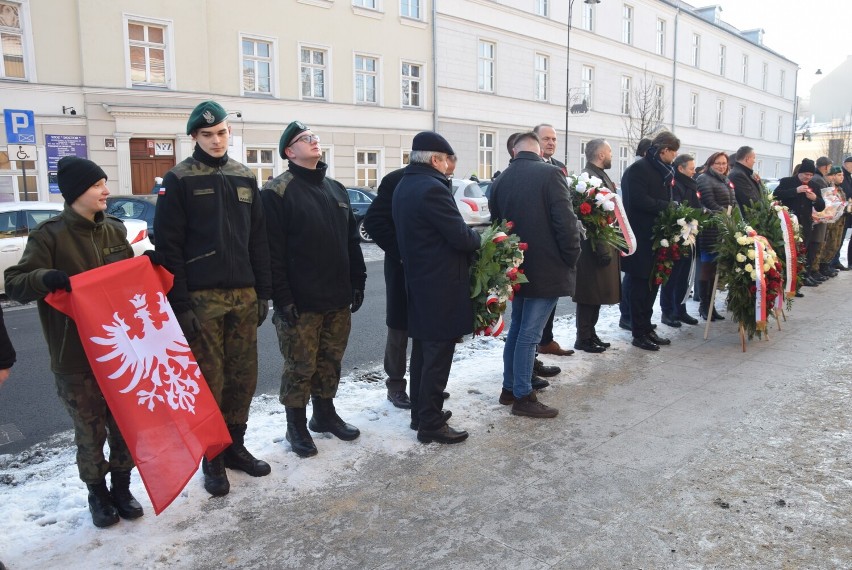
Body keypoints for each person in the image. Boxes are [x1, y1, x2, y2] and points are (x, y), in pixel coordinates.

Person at [5, 157, 143, 528]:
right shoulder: (49, 236)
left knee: (126, 424)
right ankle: (97, 494)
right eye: (98, 184)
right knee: (90, 430)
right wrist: (44, 277)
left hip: (120, 351)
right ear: (76, 192)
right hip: (75, 356)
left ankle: (122, 486)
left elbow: (129, 286)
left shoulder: (114, 231)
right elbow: (15, 283)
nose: (106, 191)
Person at [154, 100, 273, 496]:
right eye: (208, 134)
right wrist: (180, 303)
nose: (217, 140)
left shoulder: (244, 176)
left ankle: (235, 445)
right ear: (194, 137)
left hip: (243, 293)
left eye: (221, 132)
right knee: (210, 381)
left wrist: (263, 292)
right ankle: (213, 457)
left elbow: (259, 238)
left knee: (243, 377)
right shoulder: (179, 179)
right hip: (202, 298)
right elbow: (169, 247)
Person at [262, 121, 366, 458]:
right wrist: (283, 298)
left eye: (315, 137)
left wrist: (359, 279)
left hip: (336, 296)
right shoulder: (278, 192)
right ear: (289, 152)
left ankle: (324, 415)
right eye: (305, 139)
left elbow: (352, 240)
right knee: (300, 366)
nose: (314, 141)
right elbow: (271, 252)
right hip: (301, 301)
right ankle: (296, 426)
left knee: (330, 360)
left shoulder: (335, 189)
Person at [393, 131, 480, 444]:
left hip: (420, 282)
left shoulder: (407, 184)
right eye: (446, 161)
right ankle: (430, 422)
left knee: (423, 354)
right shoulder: (431, 188)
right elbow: (460, 235)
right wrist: (478, 239)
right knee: (437, 355)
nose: (448, 167)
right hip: (440, 285)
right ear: (435, 159)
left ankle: (421, 412)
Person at [489, 132, 581, 417]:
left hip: (516, 268)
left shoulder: (500, 181)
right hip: (548, 266)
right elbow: (565, 222)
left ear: (514, 151)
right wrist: (571, 257)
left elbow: (497, 228)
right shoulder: (551, 174)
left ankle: (510, 388)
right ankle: (522, 397)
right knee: (529, 334)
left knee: (518, 331)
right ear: (538, 150)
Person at [620, 131, 680, 351]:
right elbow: (637, 200)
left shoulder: (662, 170)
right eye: (673, 152)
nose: (674, 157)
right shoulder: (638, 170)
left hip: (657, 237)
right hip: (640, 237)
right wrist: (667, 207)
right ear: (664, 150)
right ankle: (638, 332)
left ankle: (647, 327)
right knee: (639, 287)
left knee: (653, 285)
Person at [572, 139, 621, 352]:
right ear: (601, 155)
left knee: (597, 293)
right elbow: (594, 218)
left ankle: (590, 334)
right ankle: (583, 338)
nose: (612, 156)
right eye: (609, 152)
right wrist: (602, 248)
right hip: (593, 247)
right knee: (589, 294)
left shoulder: (598, 175)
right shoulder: (590, 178)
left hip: (601, 243)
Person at [532, 123, 573, 357]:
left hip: (559, 241)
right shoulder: (531, 166)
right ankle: (535, 349)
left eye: (554, 139)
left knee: (552, 299)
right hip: (540, 243)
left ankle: (547, 340)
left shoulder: (559, 167)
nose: (551, 143)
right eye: (546, 138)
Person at [659, 154, 701, 327]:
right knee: (672, 276)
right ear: (681, 168)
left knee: (684, 275)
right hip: (678, 235)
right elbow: (677, 206)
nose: (694, 171)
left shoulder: (691, 183)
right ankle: (667, 312)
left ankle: (680, 310)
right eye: (691, 168)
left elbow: (696, 204)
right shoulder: (675, 184)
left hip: (690, 234)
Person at [696, 152, 737, 321]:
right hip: (710, 229)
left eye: (724, 163)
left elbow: (732, 202)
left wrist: (732, 215)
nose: (722, 166)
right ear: (710, 163)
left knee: (715, 270)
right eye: (718, 163)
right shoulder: (704, 179)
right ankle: (704, 305)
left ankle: (711, 305)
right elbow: (708, 201)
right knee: (707, 268)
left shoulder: (725, 179)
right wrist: (724, 215)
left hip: (723, 228)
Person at [618, 137, 653, 330]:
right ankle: (627, 315)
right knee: (633, 277)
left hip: (636, 230)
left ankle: (632, 316)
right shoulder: (636, 170)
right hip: (634, 230)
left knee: (635, 278)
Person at [775, 158, 826, 287]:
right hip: (788, 223)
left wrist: (815, 198)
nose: (808, 177)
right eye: (805, 174)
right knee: (789, 253)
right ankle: (786, 280)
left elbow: (821, 206)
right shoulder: (788, 181)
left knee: (803, 253)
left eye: (810, 175)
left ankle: (801, 278)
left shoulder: (814, 186)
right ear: (799, 173)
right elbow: (776, 195)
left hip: (806, 225)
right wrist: (795, 191)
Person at [815, 166, 847, 277]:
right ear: (832, 176)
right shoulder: (829, 188)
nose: (841, 177)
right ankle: (820, 267)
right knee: (826, 244)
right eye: (838, 175)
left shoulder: (840, 189)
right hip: (830, 221)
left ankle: (826, 265)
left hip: (839, 220)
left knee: (835, 244)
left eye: (842, 175)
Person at [728, 146, 763, 210]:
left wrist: (759, 182)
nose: (754, 161)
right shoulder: (738, 175)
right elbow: (750, 201)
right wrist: (765, 206)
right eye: (754, 158)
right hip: (748, 215)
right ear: (747, 159)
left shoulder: (745, 173)